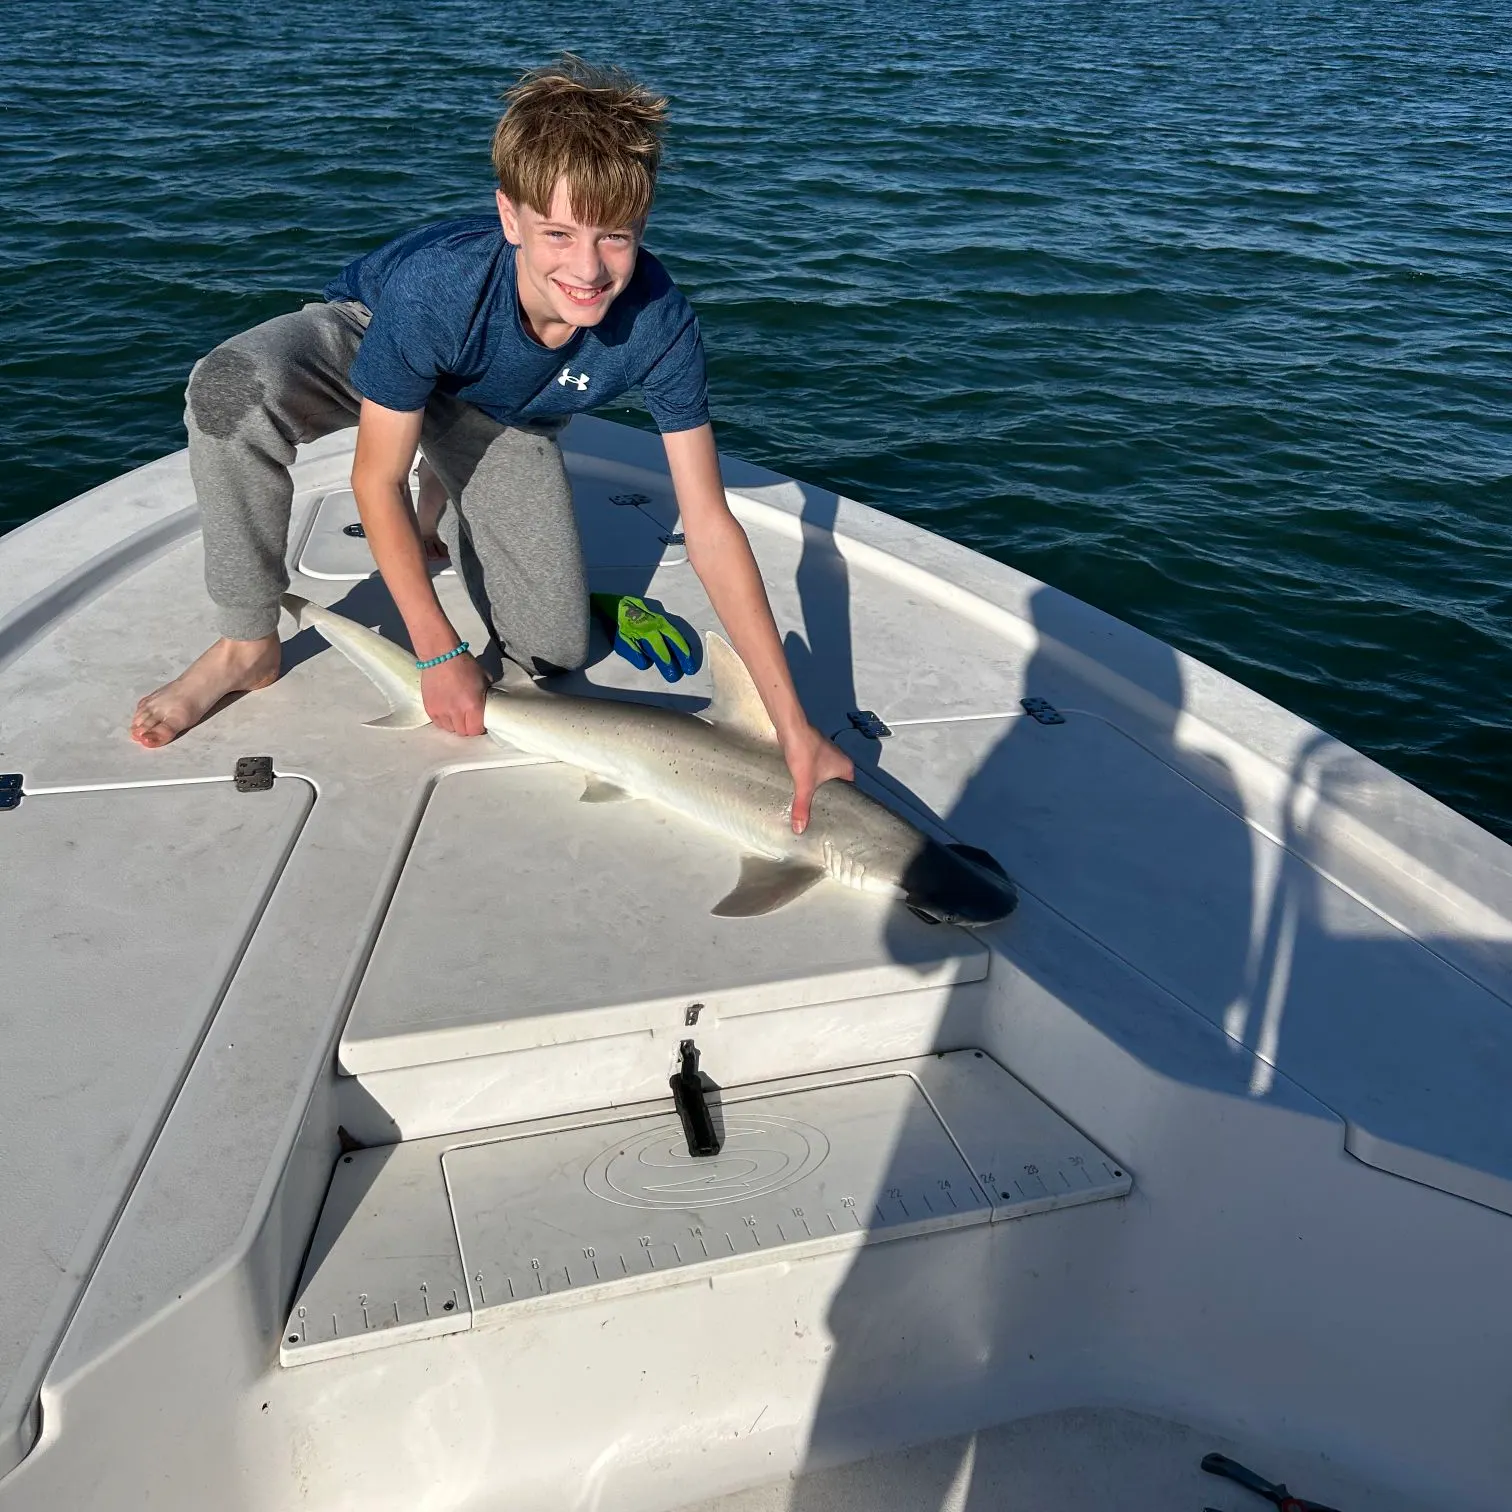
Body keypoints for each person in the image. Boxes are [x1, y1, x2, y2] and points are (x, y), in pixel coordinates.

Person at [130, 56, 853, 831]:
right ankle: (246, 642)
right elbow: (375, 479)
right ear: (510, 218)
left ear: (643, 223)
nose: (586, 269)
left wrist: (792, 728)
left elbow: (710, 526)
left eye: (615, 238)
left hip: (496, 407)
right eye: (557, 233)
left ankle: (447, 500)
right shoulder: (439, 289)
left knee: (553, 653)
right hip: (374, 337)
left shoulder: (661, 321)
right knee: (230, 388)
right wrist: (437, 653)